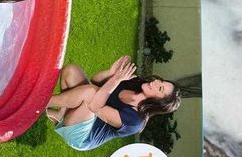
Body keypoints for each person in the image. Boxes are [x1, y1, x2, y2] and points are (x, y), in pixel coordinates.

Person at [46, 56, 181, 151]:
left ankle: (42, 102)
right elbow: (95, 81)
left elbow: (94, 106)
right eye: (161, 81)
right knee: (71, 70)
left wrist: (116, 79)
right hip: (85, 114)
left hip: (82, 136)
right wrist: (111, 73)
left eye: (160, 88)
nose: (156, 82)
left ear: (158, 102)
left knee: (91, 93)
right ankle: (61, 114)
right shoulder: (136, 83)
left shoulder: (134, 121)